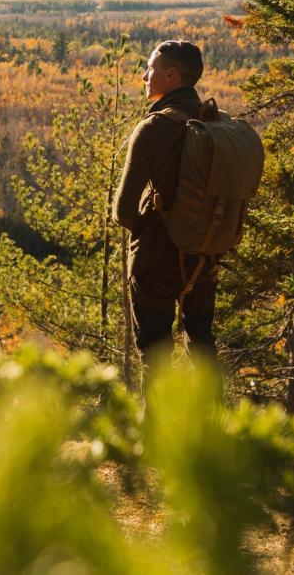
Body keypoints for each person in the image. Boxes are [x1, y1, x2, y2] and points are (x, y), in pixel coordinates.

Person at [112, 40, 218, 368]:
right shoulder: (212, 119)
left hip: (156, 261)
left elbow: (122, 210)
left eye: (151, 69)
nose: (144, 76)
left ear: (171, 75)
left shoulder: (153, 128)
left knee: (155, 358)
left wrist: (151, 230)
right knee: (201, 343)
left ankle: (158, 420)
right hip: (204, 254)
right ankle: (210, 417)